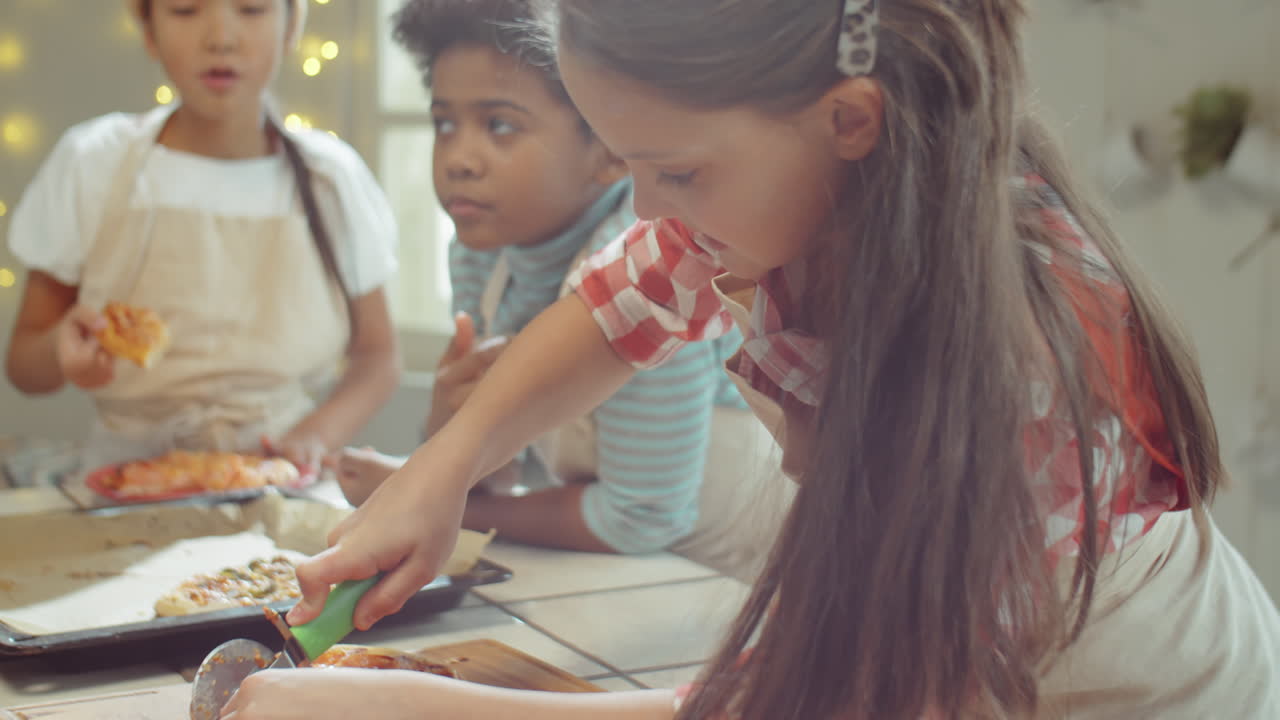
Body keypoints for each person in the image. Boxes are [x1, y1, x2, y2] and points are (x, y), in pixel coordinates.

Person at [221, 1, 1280, 718]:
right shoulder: (781, 193)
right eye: (627, 162)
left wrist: (401, 705)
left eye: (671, 170)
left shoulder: (1021, 378)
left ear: (849, 120)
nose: (644, 209)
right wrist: (438, 472)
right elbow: (612, 305)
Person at [332, 0, 789, 580]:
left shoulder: (676, 254)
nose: (459, 160)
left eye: (499, 125)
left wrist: (450, 499)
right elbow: (504, 456)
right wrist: (445, 440)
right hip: (611, 577)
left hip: (726, 577)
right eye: (444, 123)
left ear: (608, 150)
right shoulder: (482, 258)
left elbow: (641, 517)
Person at [4, 0, 400, 482]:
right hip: (127, 481)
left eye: (251, 9)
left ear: (292, 25)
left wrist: (316, 434)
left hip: (280, 476)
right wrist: (61, 354)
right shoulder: (94, 163)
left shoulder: (331, 179)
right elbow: (25, 367)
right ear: (147, 29)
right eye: (186, 9)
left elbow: (378, 356)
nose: (220, 37)